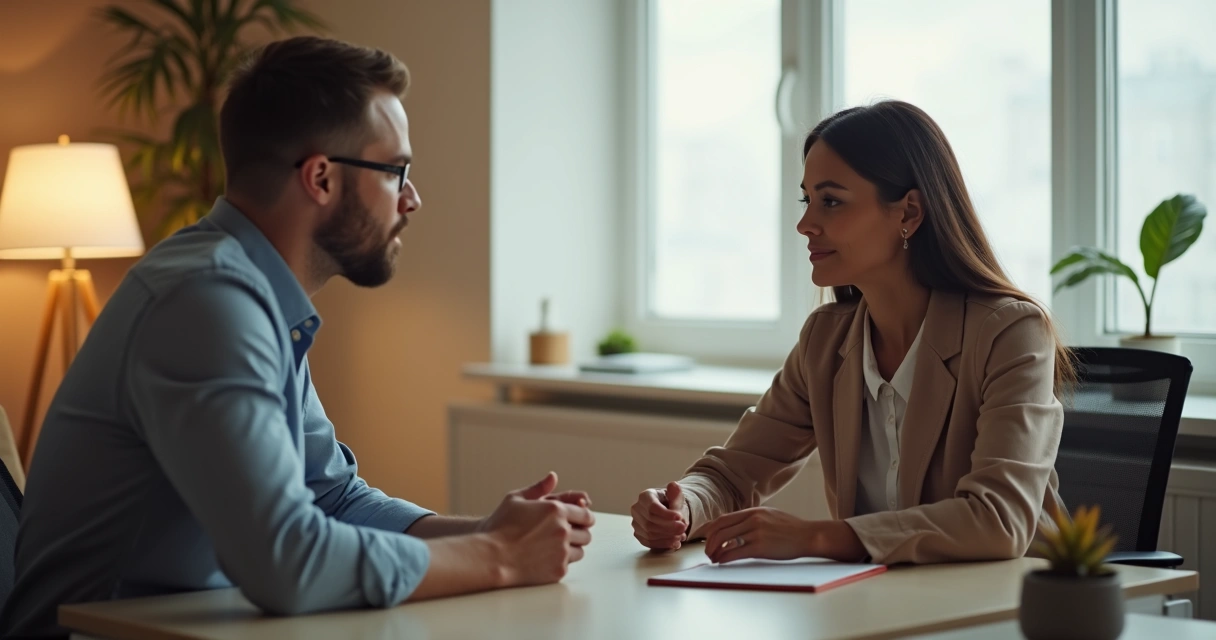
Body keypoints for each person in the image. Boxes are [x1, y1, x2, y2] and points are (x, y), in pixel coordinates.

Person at [1, 36, 594, 640]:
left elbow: (334, 500)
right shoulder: (204, 301)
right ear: (320, 178)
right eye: (397, 172)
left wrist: (486, 532)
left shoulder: (254, 294)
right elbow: (290, 563)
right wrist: (498, 559)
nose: (413, 199)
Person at [631, 100, 1071, 566]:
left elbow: (998, 522)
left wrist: (816, 538)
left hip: (1013, 608)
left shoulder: (1010, 332)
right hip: (879, 606)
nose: (805, 224)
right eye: (807, 200)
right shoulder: (826, 340)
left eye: (832, 201)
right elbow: (735, 473)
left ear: (909, 213)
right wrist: (682, 506)